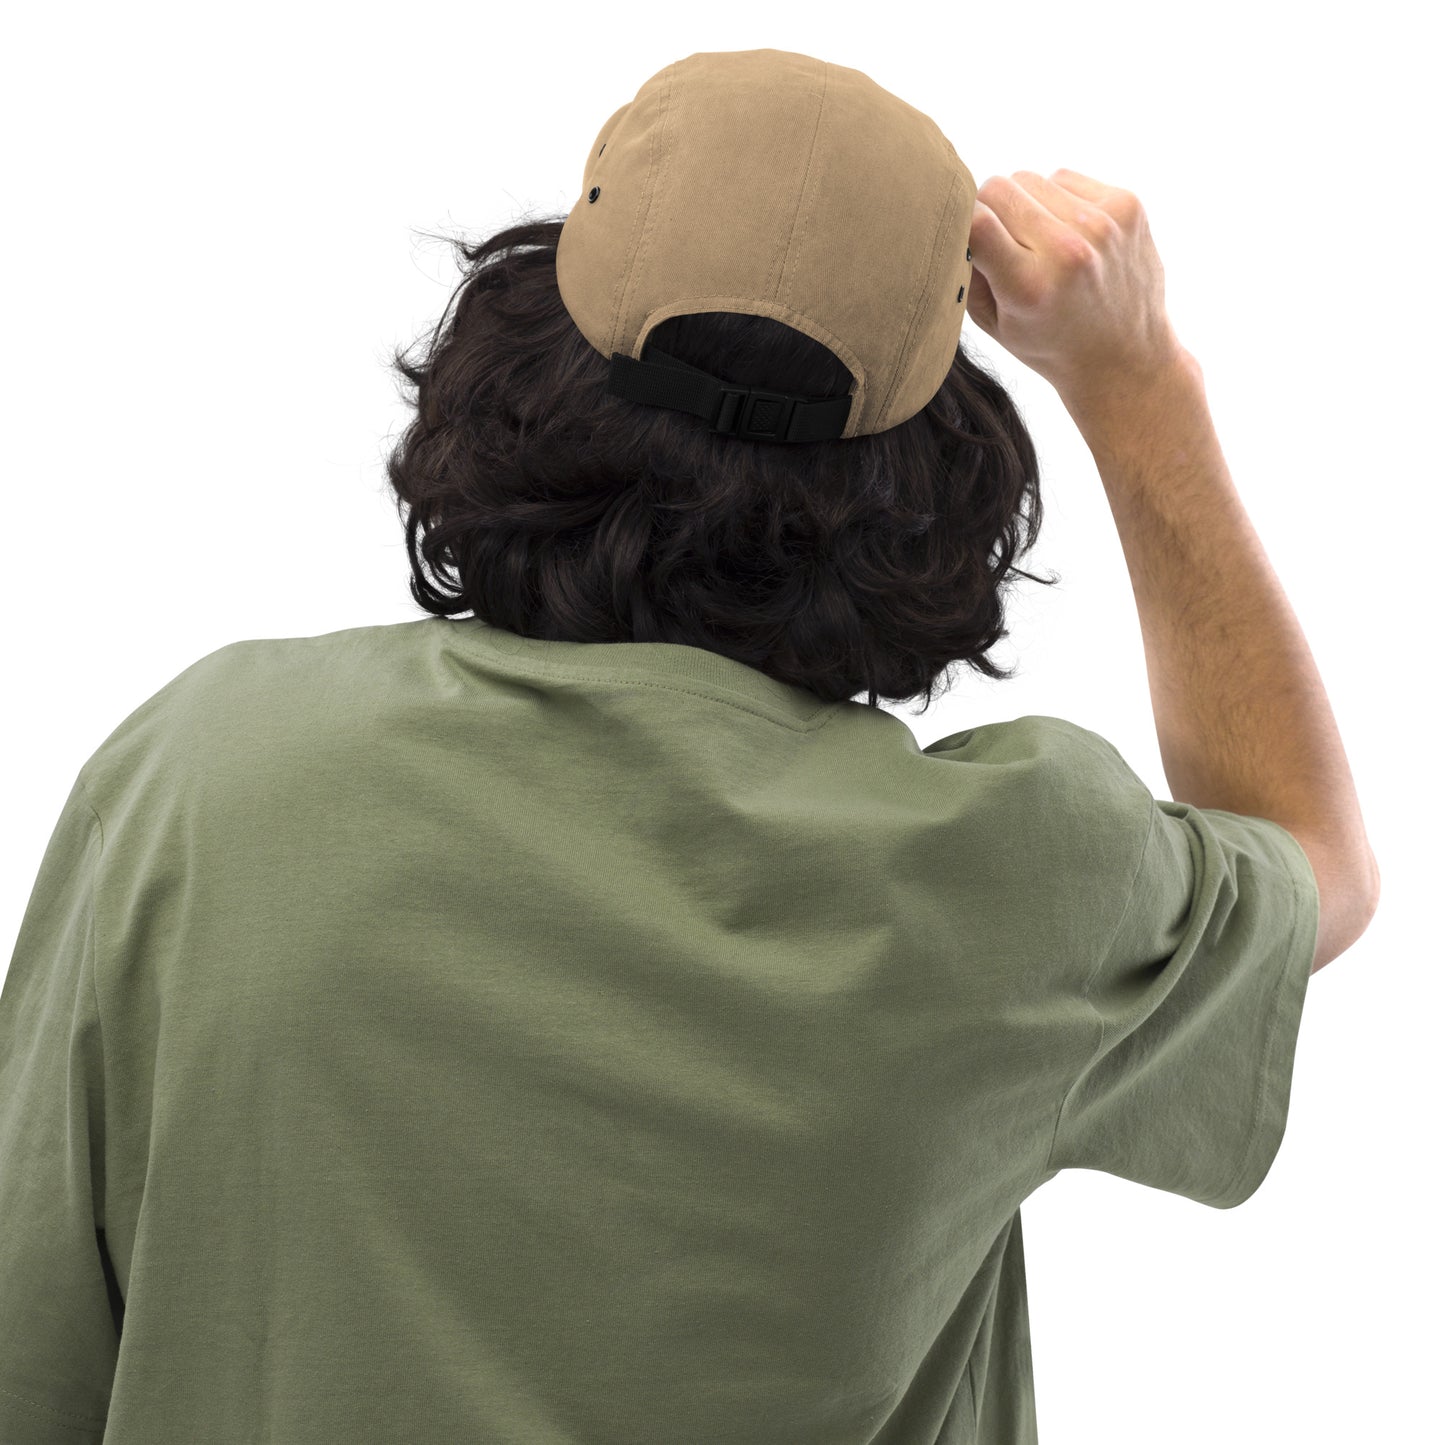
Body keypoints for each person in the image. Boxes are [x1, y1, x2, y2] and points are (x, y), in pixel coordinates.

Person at [0, 48, 1378, 1445]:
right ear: (931, 472)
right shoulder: (1019, 875)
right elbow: (1313, 860)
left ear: (518, 349)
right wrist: (1136, 380)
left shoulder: (207, 774)